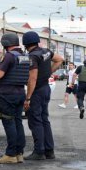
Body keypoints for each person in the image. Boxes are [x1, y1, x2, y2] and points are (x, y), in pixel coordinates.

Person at [23, 31, 63, 160]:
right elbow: (60, 59)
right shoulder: (46, 51)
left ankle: (39, 151)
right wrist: (48, 72)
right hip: (46, 88)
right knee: (44, 119)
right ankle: (49, 151)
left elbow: (32, 79)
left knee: (36, 120)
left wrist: (28, 98)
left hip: (37, 91)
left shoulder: (32, 56)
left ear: (25, 43)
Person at [0, 33, 29, 164]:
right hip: (20, 93)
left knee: (9, 122)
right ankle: (19, 153)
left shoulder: (9, 56)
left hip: (8, 94)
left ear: (5, 43)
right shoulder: (24, 56)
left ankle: (10, 154)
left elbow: (0, 74)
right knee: (18, 122)